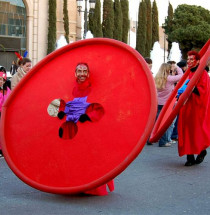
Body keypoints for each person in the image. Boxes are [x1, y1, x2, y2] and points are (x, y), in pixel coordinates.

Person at [57, 63, 114, 195]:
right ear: (75, 73)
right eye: (79, 71)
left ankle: (90, 187)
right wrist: (62, 112)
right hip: (70, 128)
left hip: (88, 127)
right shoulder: (68, 87)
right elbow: (62, 102)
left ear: (88, 74)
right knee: (71, 157)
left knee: (88, 157)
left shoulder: (94, 88)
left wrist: (88, 116)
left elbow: (100, 106)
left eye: (84, 71)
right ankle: (73, 184)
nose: (82, 74)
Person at [177, 50, 210, 166]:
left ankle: (202, 151)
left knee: (197, 131)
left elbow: (204, 92)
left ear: (198, 61)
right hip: (187, 107)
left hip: (196, 108)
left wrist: (189, 88)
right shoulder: (189, 73)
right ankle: (189, 157)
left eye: (192, 59)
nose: (189, 61)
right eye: (188, 59)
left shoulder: (203, 74)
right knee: (186, 132)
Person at [154, 63, 183, 147]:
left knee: (158, 122)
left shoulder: (157, 78)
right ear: (168, 70)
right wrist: (177, 67)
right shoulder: (169, 79)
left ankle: (154, 139)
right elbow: (181, 75)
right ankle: (163, 141)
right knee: (166, 123)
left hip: (158, 103)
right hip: (167, 104)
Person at [0, 72, 11, 157]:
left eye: (2, 80)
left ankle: (3, 148)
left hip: (5, 114)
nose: (0, 82)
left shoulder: (7, 89)